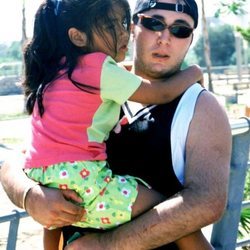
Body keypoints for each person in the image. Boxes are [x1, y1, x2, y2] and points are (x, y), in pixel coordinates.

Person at [0, 0, 232, 249]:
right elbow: (17, 162)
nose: (165, 37)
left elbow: (207, 203)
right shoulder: (90, 85)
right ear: (133, 27)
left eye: (180, 30)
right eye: (154, 23)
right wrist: (30, 196)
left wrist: (105, 245)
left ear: (190, 39)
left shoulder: (199, 105)